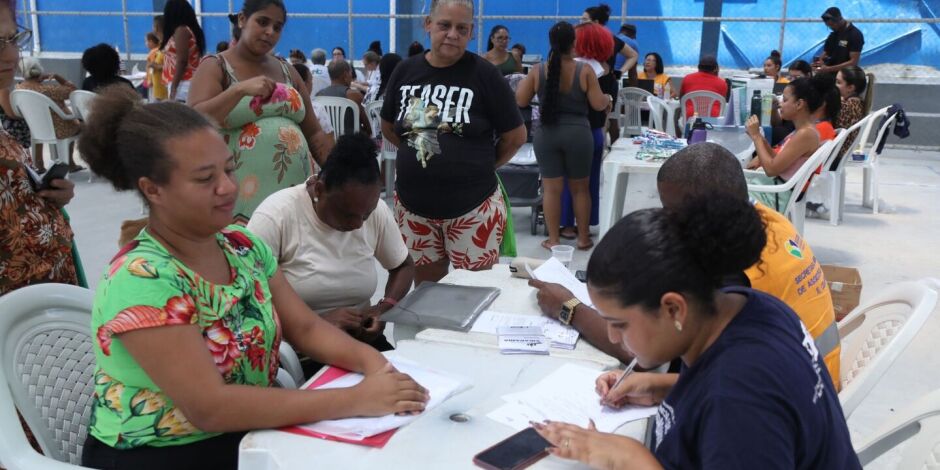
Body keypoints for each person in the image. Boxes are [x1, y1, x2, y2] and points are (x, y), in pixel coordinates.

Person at [77, 85, 428, 469]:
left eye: (228, 168)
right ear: (153, 189)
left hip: (250, 432)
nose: (228, 187)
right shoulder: (141, 278)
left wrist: (376, 367)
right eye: (204, 178)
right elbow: (210, 408)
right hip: (166, 454)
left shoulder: (241, 246)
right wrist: (356, 398)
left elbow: (307, 329)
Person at [531, 193, 859, 469]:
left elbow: (738, 401)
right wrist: (662, 385)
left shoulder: (739, 405)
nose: (614, 337)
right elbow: (728, 389)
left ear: (674, 309)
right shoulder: (749, 306)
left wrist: (630, 458)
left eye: (620, 324)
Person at [529, 142, 841, 387]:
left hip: (782, 391)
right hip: (810, 375)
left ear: (704, 214)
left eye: (673, 213)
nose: (667, 223)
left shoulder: (735, 276)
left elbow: (648, 352)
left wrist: (569, 307)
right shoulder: (764, 223)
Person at [380, 0, 526, 284]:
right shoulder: (405, 71)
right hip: (413, 210)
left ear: (471, 32)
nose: (452, 34)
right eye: (444, 25)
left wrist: (481, 165)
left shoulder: (485, 75)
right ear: (428, 25)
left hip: (473, 210)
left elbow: (515, 137)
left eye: (462, 28)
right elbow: (388, 127)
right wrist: (421, 152)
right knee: (426, 294)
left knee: (472, 296)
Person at [247, 134, 413, 374]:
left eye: (365, 215)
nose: (358, 224)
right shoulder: (277, 216)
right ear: (319, 189)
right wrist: (315, 325)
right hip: (298, 353)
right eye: (347, 214)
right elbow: (246, 302)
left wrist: (381, 309)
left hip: (360, 344)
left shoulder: (371, 210)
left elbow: (403, 265)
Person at [189, 0, 333, 224]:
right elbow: (195, 122)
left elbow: (314, 134)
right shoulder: (215, 66)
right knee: (244, 255)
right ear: (242, 19)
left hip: (292, 198)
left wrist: (340, 171)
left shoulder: (288, 71)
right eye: (262, 22)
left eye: (277, 27)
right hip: (236, 198)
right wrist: (238, 90)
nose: (270, 32)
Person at [0, 4, 77, 296]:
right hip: (16, 320)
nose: (10, 54)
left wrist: (48, 197)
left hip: (44, 302)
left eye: (12, 39)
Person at [517, 22, 609, 252]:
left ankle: (554, 240)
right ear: (574, 43)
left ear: (551, 43)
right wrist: (607, 98)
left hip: (547, 134)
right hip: (578, 134)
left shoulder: (538, 70)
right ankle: (583, 238)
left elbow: (520, 100)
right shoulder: (584, 70)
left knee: (551, 189)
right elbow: (598, 104)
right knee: (580, 188)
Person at [555, 21, 614, 243]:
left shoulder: (573, 68)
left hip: (572, 130)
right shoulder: (606, 70)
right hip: (596, 131)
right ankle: (585, 227)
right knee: (589, 184)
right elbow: (604, 105)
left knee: (567, 180)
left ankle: (567, 225)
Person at [746, 76, 832, 212]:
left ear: (799, 104)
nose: (780, 103)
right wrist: (760, 138)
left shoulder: (806, 134)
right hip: (772, 190)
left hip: (772, 196)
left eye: (785, 100)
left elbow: (771, 169)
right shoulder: (803, 131)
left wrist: (756, 137)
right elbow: (779, 159)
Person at [807, 66, 868, 218]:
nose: (835, 86)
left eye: (838, 83)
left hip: (832, 157)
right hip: (838, 155)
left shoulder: (847, 106)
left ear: (851, 87)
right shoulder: (855, 103)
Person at [580, 3, 637, 145]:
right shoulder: (605, 38)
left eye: (584, 19)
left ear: (596, 22)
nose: (580, 22)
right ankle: (598, 149)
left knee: (602, 121)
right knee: (597, 122)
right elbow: (633, 55)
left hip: (604, 83)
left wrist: (620, 71)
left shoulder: (609, 39)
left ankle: (602, 150)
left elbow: (633, 55)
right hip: (597, 81)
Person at [16, 57, 83, 173]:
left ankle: (39, 165)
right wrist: (57, 77)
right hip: (59, 130)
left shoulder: (19, 88)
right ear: (39, 72)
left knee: (42, 129)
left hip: (36, 129)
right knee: (78, 125)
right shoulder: (49, 90)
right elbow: (74, 91)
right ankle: (70, 163)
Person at [161, 0, 205, 101]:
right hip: (185, 82)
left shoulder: (181, 30)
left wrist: (173, 88)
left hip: (182, 83)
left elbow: (182, 61)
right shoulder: (189, 29)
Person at [316, 59, 372, 136]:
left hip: (330, 142)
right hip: (351, 143)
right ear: (346, 74)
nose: (351, 76)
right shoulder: (354, 95)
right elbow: (369, 126)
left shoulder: (319, 95)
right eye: (351, 73)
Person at [815, 7, 864, 76]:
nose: (831, 28)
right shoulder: (834, 34)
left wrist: (828, 69)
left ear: (839, 20)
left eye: (832, 25)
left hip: (845, 76)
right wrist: (821, 62)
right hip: (830, 73)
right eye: (828, 26)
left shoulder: (855, 34)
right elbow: (825, 53)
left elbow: (853, 62)